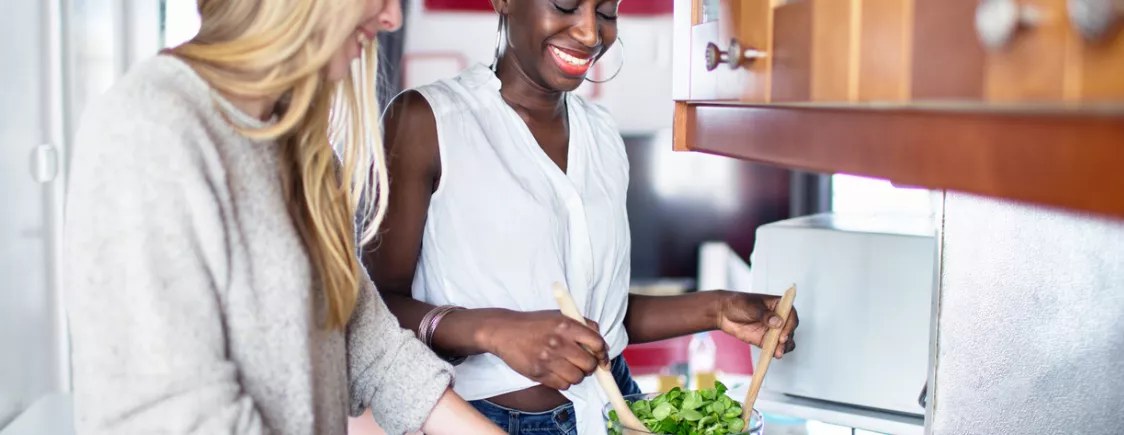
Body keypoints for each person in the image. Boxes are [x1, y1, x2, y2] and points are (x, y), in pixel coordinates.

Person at [62, 1, 506, 434]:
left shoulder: (302, 147)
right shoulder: (149, 132)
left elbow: (370, 347)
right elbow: (171, 418)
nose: (391, 17)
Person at [362, 0, 800, 433]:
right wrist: (494, 332)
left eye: (607, 12)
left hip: (615, 409)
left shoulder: (602, 133)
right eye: (566, 5)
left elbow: (602, 320)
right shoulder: (426, 120)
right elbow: (374, 313)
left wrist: (719, 308)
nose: (591, 34)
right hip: (488, 421)